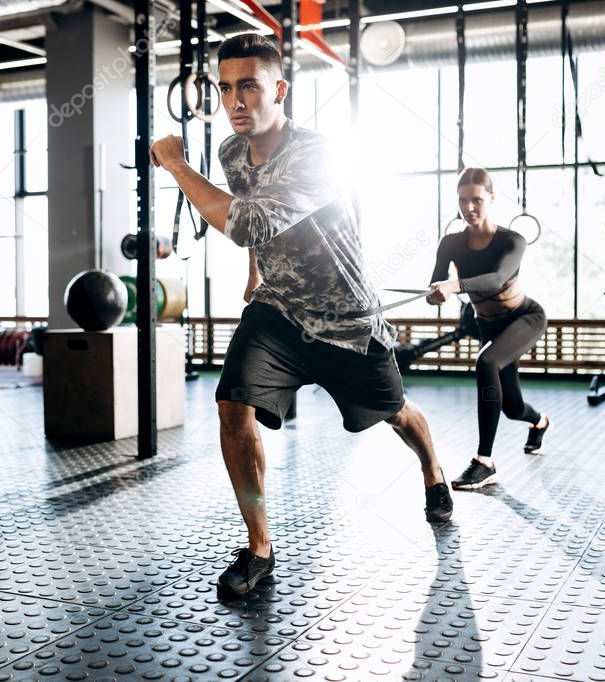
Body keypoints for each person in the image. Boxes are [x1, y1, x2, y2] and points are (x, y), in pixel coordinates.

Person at [149, 33, 453, 599]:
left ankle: (433, 470)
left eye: (249, 86)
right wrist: (254, 275)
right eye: (226, 88)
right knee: (232, 405)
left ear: (279, 89)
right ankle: (259, 547)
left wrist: (174, 165)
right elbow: (251, 220)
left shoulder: (318, 153)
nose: (236, 100)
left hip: (345, 317)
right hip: (280, 310)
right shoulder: (232, 153)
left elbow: (245, 222)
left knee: (395, 412)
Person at [426, 168, 551, 490]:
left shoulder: (512, 241)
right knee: (512, 407)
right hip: (489, 325)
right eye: (463, 200)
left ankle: (485, 461)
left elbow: (496, 279)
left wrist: (453, 285)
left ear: (492, 199)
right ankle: (539, 421)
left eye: (477, 200)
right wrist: (435, 294)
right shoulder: (451, 243)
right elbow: (436, 285)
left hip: (524, 319)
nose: (469, 208)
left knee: (486, 362)